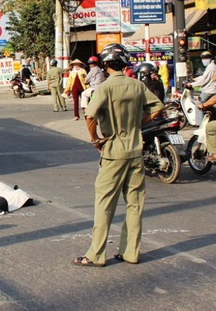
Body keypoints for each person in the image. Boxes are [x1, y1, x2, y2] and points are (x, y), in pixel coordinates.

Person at [73, 43, 164, 267]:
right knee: (135, 204)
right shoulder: (137, 85)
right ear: (124, 63)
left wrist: (96, 140)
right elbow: (158, 108)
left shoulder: (104, 88)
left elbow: (90, 115)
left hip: (113, 152)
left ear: (106, 65)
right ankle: (130, 252)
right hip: (135, 151)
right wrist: (137, 124)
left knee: (104, 204)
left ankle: (96, 255)